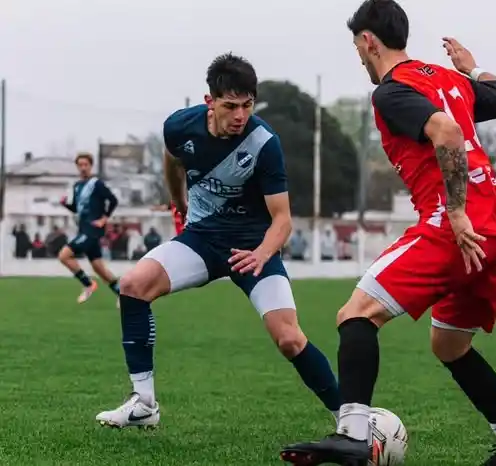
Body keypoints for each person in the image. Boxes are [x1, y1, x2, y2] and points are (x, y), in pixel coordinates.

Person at [280, 2, 496, 465]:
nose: (360, 58)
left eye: (357, 48)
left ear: (368, 41)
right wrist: (473, 69)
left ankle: (354, 434)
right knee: (450, 345)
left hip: (456, 227)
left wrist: (455, 212)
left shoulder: (392, 91)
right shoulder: (451, 80)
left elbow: (447, 132)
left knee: (356, 313)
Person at [94, 53, 341, 429]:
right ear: (210, 101)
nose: (240, 115)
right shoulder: (180, 126)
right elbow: (172, 157)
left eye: (247, 105)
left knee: (289, 339)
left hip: (253, 250)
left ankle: (349, 417)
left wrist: (262, 253)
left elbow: (283, 219)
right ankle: (143, 405)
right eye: (230, 106)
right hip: (202, 241)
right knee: (132, 287)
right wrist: (178, 201)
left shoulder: (264, 143)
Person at [59, 153, 121, 305]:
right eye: (80, 165)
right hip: (83, 229)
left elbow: (113, 200)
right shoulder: (77, 186)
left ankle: (88, 284)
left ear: (91, 166)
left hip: (92, 230)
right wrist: (66, 205)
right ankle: (124, 294)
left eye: (85, 165)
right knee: (99, 268)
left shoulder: (96, 184)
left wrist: (104, 219)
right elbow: (77, 209)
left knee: (64, 256)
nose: (83, 168)